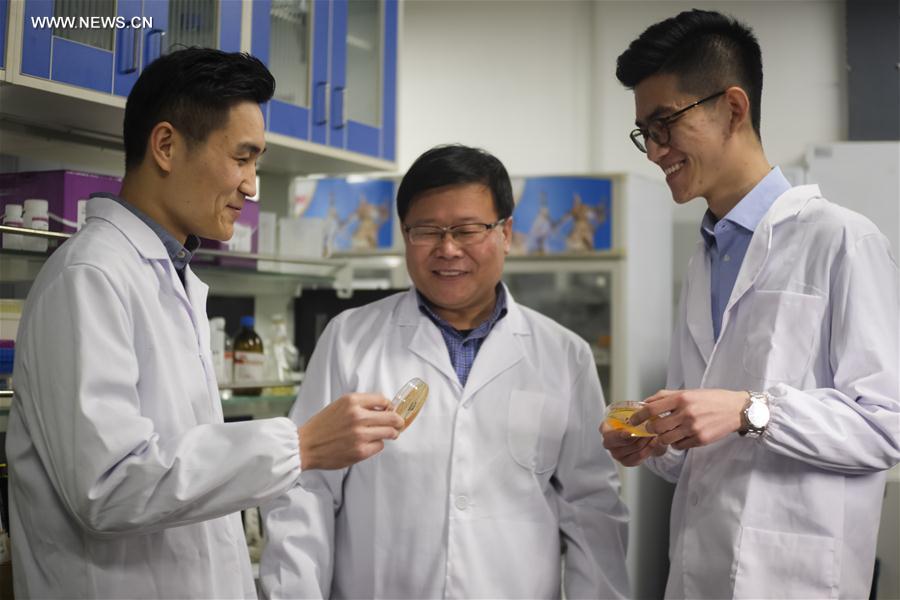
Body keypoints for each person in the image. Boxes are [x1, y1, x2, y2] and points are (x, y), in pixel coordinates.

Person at [6, 48, 403, 599]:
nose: (252, 185)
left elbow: (188, 478)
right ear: (166, 145)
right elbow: (109, 484)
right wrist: (302, 445)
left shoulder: (169, 276)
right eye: (242, 158)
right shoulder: (88, 276)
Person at [601, 9, 900, 599]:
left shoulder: (840, 239)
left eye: (664, 124)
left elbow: (886, 425)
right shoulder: (706, 255)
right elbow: (699, 444)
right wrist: (654, 437)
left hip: (800, 578)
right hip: (699, 572)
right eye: (645, 132)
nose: (654, 150)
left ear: (733, 108)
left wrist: (751, 411)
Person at [260, 144, 629, 599]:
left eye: (468, 230)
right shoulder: (349, 339)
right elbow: (306, 488)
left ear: (506, 232)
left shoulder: (563, 354)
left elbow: (591, 509)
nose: (448, 248)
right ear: (404, 234)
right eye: (427, 231)